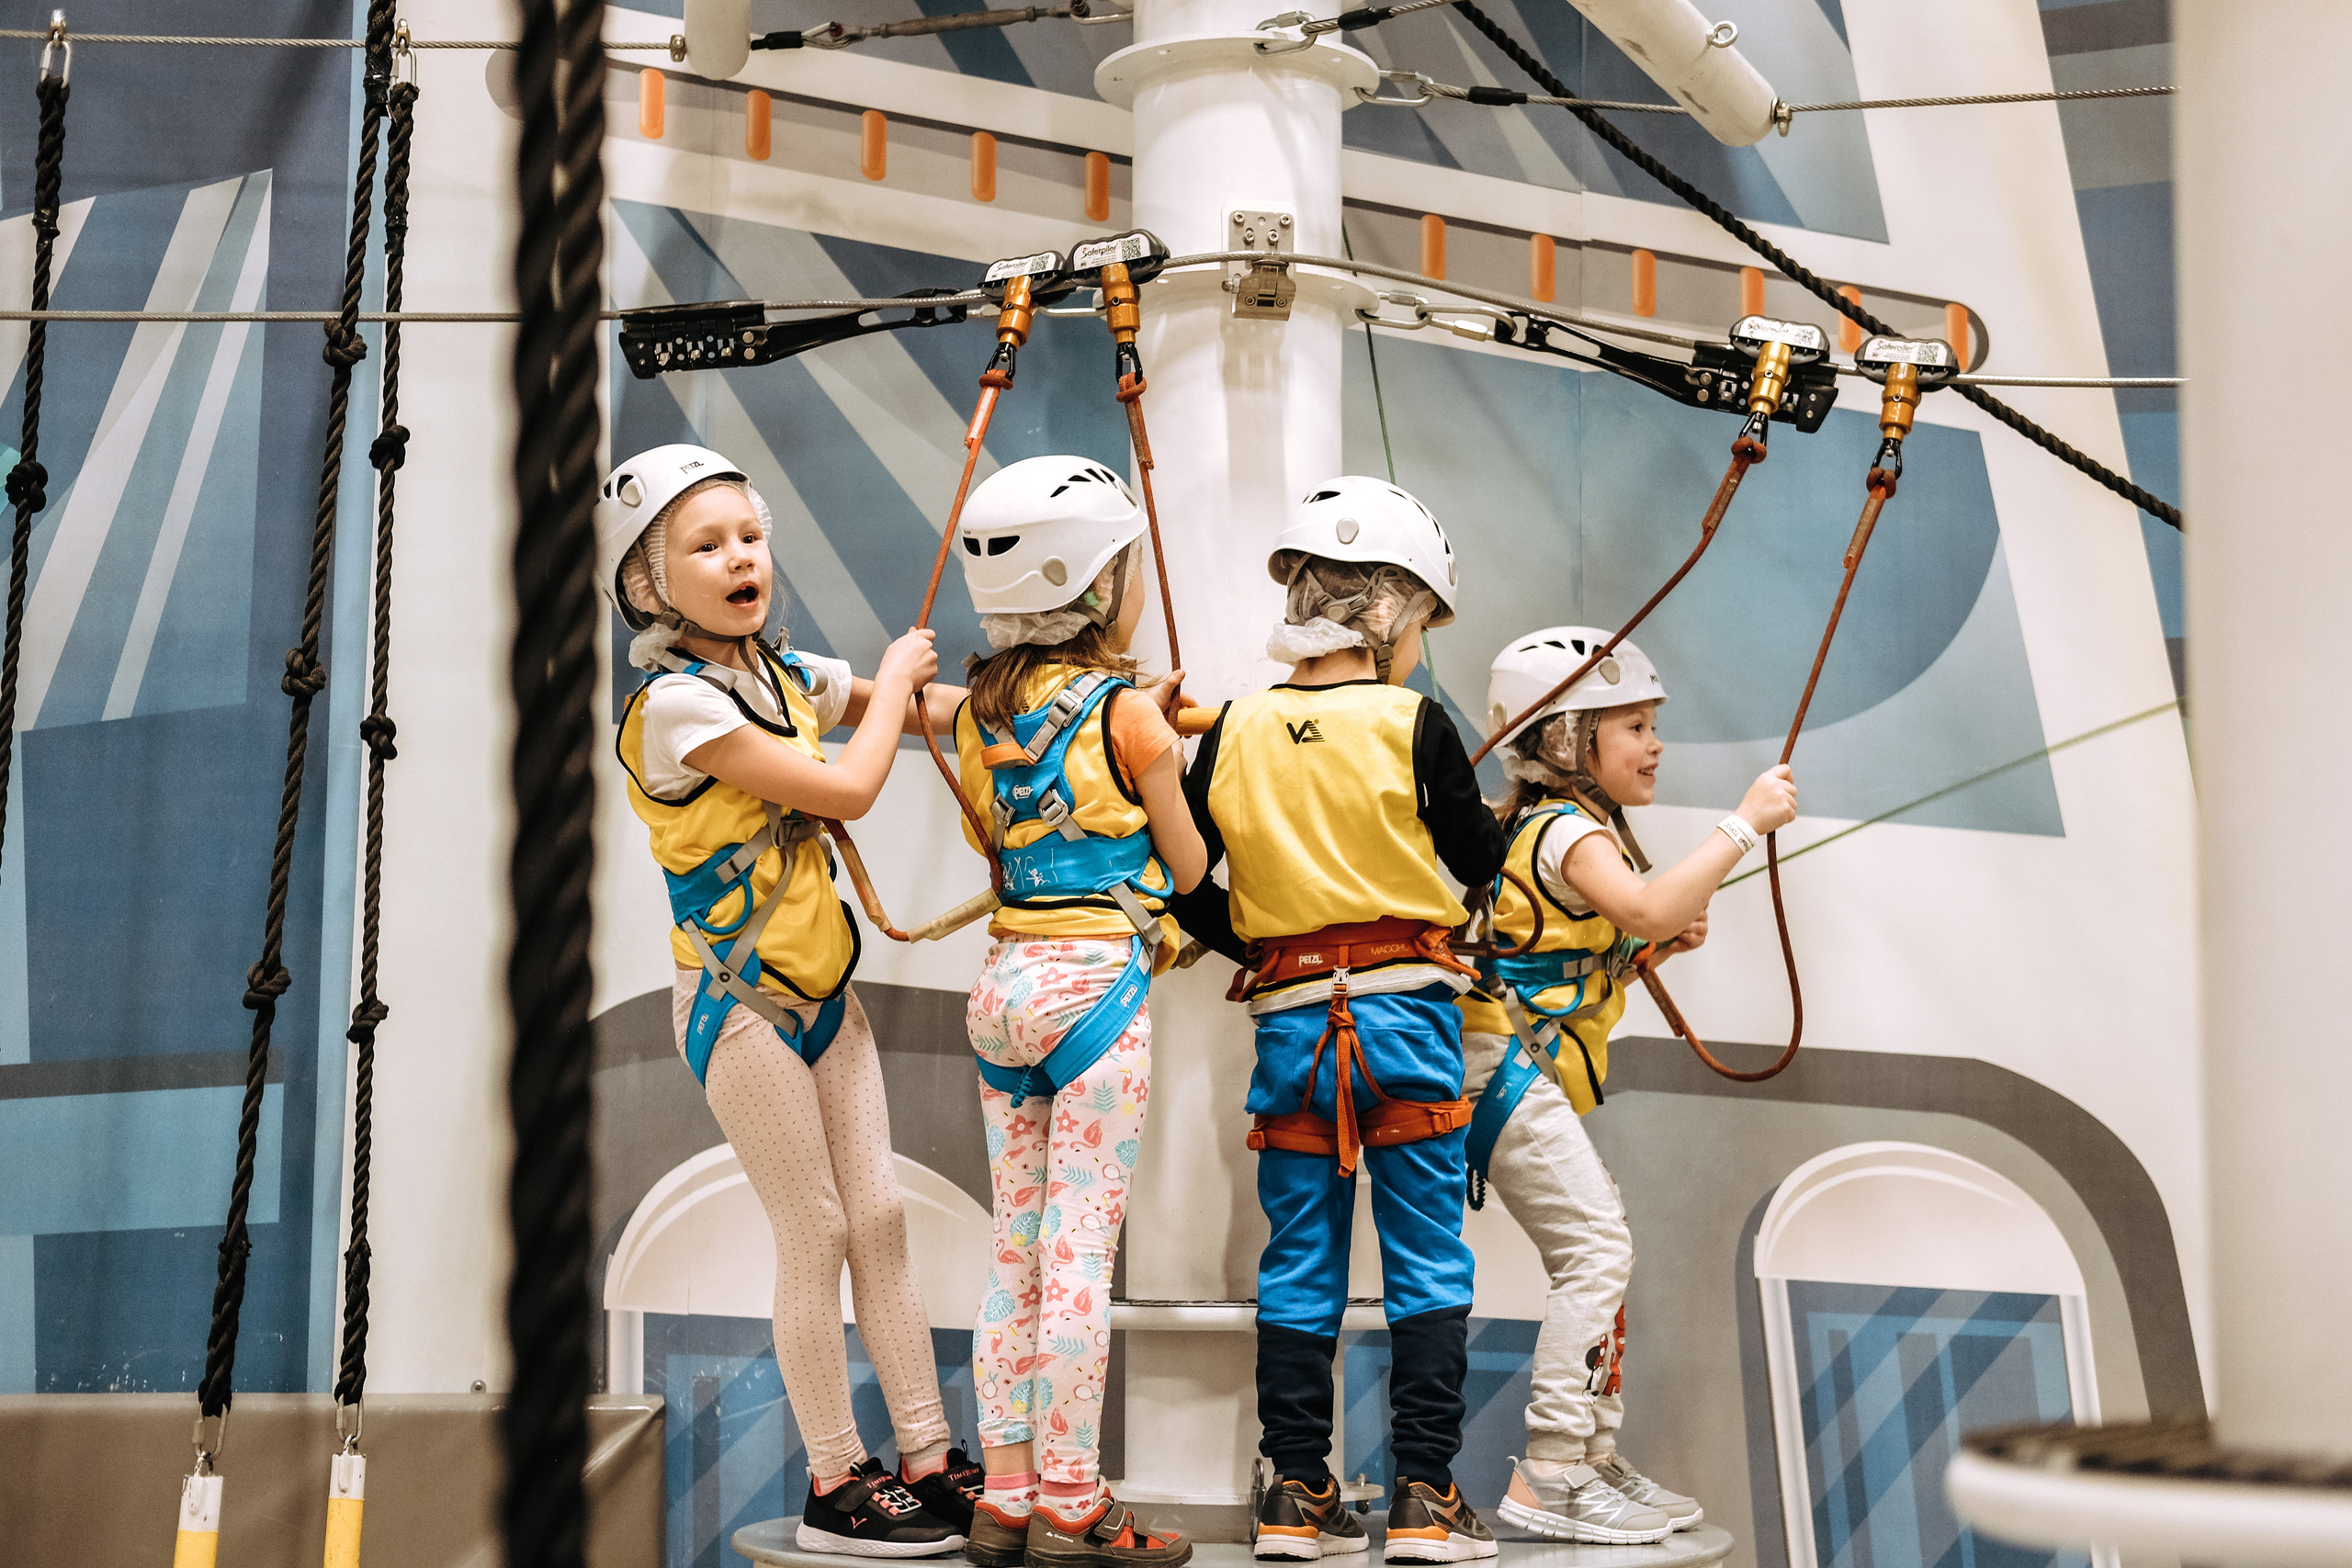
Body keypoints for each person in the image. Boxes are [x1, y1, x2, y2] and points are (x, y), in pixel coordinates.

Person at [599, 444, 982, 1557]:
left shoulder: (780, 677)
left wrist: (1067, 712)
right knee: (813, 1229)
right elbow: (852, 780)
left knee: (881, 1216)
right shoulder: (676, 708)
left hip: (826, 996)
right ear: (648, 584)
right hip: (737, 1008)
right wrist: (899, 683)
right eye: (705, 546)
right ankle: (833, 1476)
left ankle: (924, 1450)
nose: (738, 559)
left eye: (750, 538)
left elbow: (936, 719)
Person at [1168, 478, 1508, 1564]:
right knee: (1426, 1259)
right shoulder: (1417, 724)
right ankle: (1422, 1497)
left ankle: (1294, 1496)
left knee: (1300, 1257)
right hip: (1409, 1018)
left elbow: (1185, 885)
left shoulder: (1234, 728)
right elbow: (1480, 865)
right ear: (1394, 609)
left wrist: (1268, 944)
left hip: (1291, 1030)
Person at [1459, 628, 1796, 1545]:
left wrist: (1641, 944)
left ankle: (1591, 1460)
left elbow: (1609, 932)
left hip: (1519, 1073)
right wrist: (1742, 825)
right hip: (1505, 1074)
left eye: (1652, 726)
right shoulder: (1567, 828)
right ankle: (1556, 1474)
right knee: (1598, 1251)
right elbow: (1644, 903)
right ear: (1567, 740)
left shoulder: (1551, 827)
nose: (1653, 744)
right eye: (1634, 726)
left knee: (1601, 1254)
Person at [946, 457, 1204, 1568]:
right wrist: (1163, 754)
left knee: (1015, 1248)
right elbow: (1188, 869)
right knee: (1079, 1255)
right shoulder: (1134, 725)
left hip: (1003, 989)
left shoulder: (972, 717)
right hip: (1094, 990)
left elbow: (993, 845)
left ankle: (1002, 1495)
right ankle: (1069, 1499)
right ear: (1101, 589)